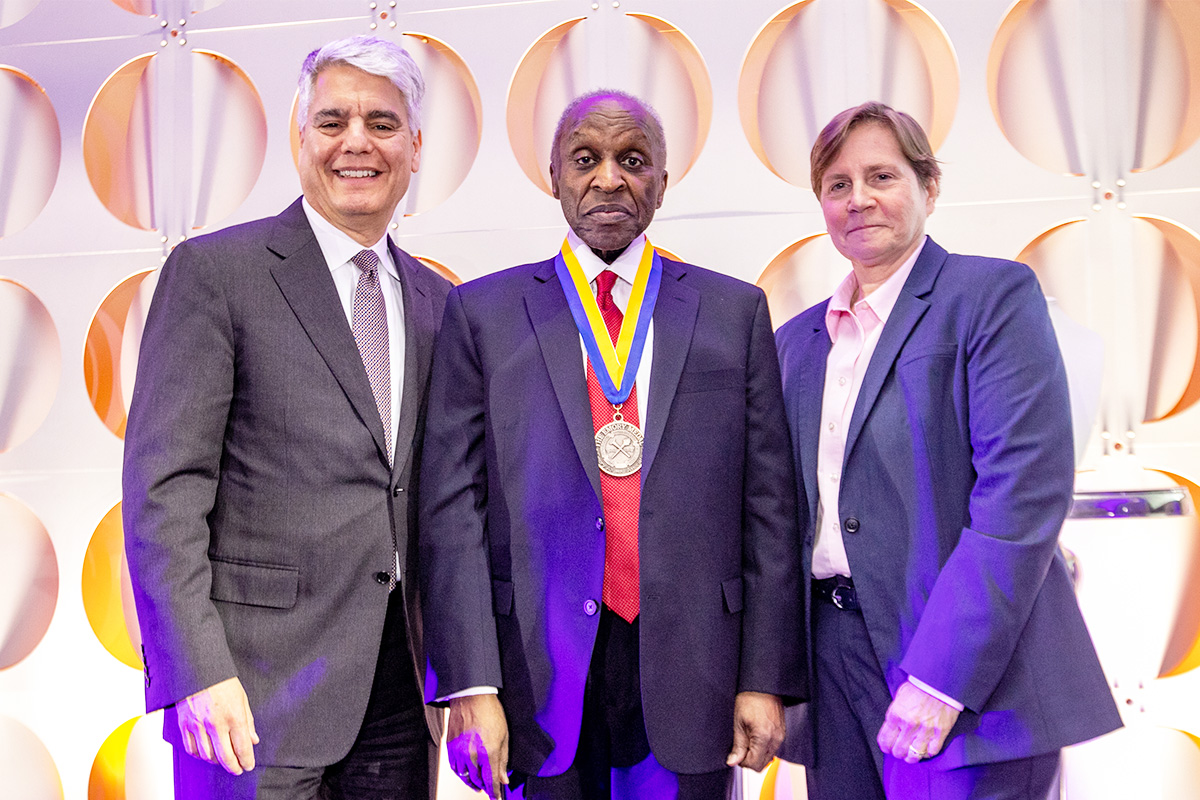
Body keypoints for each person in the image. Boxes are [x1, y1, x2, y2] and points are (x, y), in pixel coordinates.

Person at [419, 89, 805, 800]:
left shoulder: (733, 311)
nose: (608, 178)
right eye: (586, 159)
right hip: (535, 672)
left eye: (632, 160)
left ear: (661, 179)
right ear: (553, 176)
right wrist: (470, 684)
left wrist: (766, 676)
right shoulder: (482, 314)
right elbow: (451, 514)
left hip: (700, 667)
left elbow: (772, 510)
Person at [122, 34, 451, 799]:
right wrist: (194, 673)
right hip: (247, 701)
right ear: (299, 136)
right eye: (332, 121)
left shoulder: (440, 304)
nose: (356, 143)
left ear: (416, 147)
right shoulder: (214, 274)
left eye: (382, 123)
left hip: (398, 698)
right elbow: (163, 494)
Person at [774, 101, 1122, 799]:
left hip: (966, 670)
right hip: (831, 659)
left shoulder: (989, 296)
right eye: (838, 184)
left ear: (929, 188)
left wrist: (943, 675)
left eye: (881, 175)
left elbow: (1020, 498)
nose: (859, 198)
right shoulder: (794, 342)